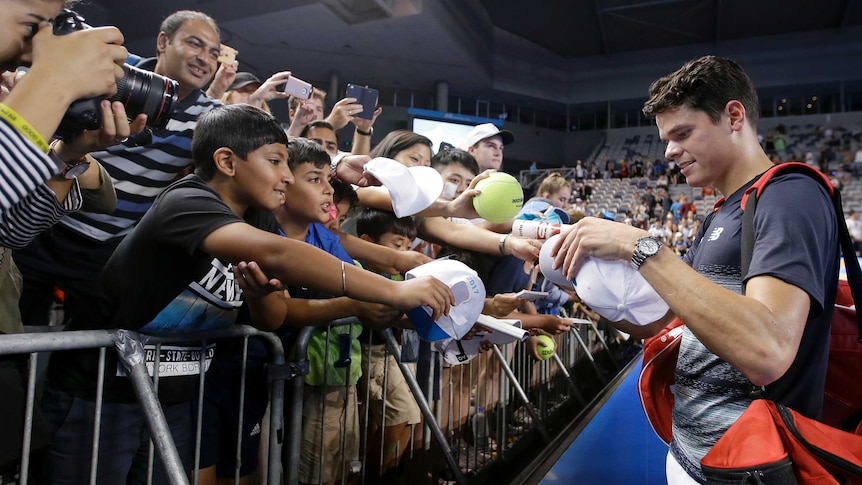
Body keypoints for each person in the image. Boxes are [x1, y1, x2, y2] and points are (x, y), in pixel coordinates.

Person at [40, 104, 454, 484]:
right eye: (275, 162)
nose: (286, 175)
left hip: (177, 395)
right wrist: (393, 291)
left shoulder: (257, 218)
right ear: (226, 161)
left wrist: (259, 297)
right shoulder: (187, 201)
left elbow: (272, 317)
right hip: (100, 393)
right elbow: (280, 253)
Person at [551, 55, 839, 483]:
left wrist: (638, 245)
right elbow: (671, 324)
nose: (669, 151)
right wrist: (590, 285)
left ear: (734, 116)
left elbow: (767, 349)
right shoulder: (723, 211)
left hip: (751, 467)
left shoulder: (790, 196)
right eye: (666, 138)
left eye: (682, 133)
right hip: (696, 455)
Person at [15, 9, 225, 327]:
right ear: (163, 42)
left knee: (84, 356)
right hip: (38, 225)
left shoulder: (211, 119)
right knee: (11, 338)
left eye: (214, 54)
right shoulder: (108, 70)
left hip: (107, 249)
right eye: (195, 44)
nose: (204, 59)